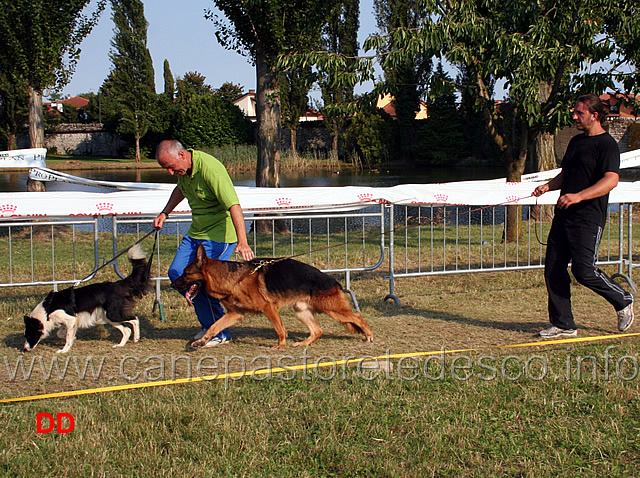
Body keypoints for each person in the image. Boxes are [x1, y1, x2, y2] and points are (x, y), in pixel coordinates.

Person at [532, 94, 634, 338]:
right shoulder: (576, 141)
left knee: (584, 270)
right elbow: (568, 173)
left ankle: (623, 299)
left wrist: (578, 196)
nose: (574, 116)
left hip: (588, 217)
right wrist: (549, 186)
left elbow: (611, 180)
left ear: (594, 115)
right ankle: (564, 325)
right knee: (554, 269)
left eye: (579, 113)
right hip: (563, 216)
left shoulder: (607, 145)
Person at [153, 140, 255, 346]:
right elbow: (180, 189)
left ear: (182, 155)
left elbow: (234, 205)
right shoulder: (184, 172)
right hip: (196, 232)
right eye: (166, 169)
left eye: (171, 167)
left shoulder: (210, 169)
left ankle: (219, 332)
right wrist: (165, 212)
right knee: (177, 273)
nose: (170, 173)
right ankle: (211, 323)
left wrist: (243, 242)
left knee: (206, 282)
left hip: (220, 235)